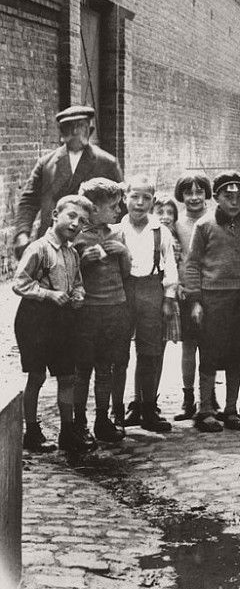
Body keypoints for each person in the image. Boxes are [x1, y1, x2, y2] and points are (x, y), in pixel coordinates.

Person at [182, 172, 240, 433]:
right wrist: (196, 300)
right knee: (209, 353)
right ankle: (205, 409)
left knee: (238, 353)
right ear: (217, 197)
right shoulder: (205, 225)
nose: (234, 202)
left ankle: (231, 409)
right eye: (228, 196)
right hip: (213, 299)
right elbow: (193, 264)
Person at [13, 195, 91, 453]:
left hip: (62, 320)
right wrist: (47, 294)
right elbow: (19, 283)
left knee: (67, 376)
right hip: (35, 319)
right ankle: (32, 431)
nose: (75, 224)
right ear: (55, 214)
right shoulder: (38, 248)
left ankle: (68, 432)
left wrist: (78, 295)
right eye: (71, 216)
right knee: (36, 376)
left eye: (81, 221)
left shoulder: (72, 252)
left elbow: (77, 282)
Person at [13, 105, 122, 259]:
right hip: (51, 244)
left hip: (91, 248)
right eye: (71, 128)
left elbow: (120, 205)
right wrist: (22, 234)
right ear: (63, 132)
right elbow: (28, 201)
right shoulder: (46, 163)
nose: (76, 133)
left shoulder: (107, 162)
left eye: (81, 127)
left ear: (89, 130)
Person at [73, 177, 132, 445]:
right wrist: (83, 261)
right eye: (114, 206)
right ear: (93, 208)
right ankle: (78, 423)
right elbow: (66, 276)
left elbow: (126, 273)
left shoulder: (118, 233)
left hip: (115, 308)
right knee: (82, 369)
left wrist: (123, 253)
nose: (119, 211)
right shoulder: (76, 236)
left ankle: (102, 420)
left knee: (106, 368)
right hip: (88, 312)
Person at [118, 176, 177, 433]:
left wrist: (168, 299)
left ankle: (148, 407)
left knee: (150, 352)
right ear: (124, 199)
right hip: (122, 292)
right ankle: (118, 411)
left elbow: (171, 267)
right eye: (134, 197)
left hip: (152, 290)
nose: (139, 203)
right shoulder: (115, 231)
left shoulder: (160, 232)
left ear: (152, 202)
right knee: (118, 354)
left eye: (146, 198)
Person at [171, 173, 212, 420]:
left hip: (213, 290)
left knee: (211, 347)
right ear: (182, 196)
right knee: (189, 347)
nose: (194, 198)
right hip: (187, 291)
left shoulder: (216, 219)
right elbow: (176, 258)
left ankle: (209, 397)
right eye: (188, 193)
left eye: (199, 192)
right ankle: (188, 399)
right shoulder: (177, 224)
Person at [153, 194, 183, 354]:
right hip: (151, 292)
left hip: (169, 295)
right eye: (160, 212)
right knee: (148, 345)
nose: (165, 217)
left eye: (170, 213)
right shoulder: (149, 236)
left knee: (161, 345)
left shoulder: (176, 240)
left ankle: (156, 379)